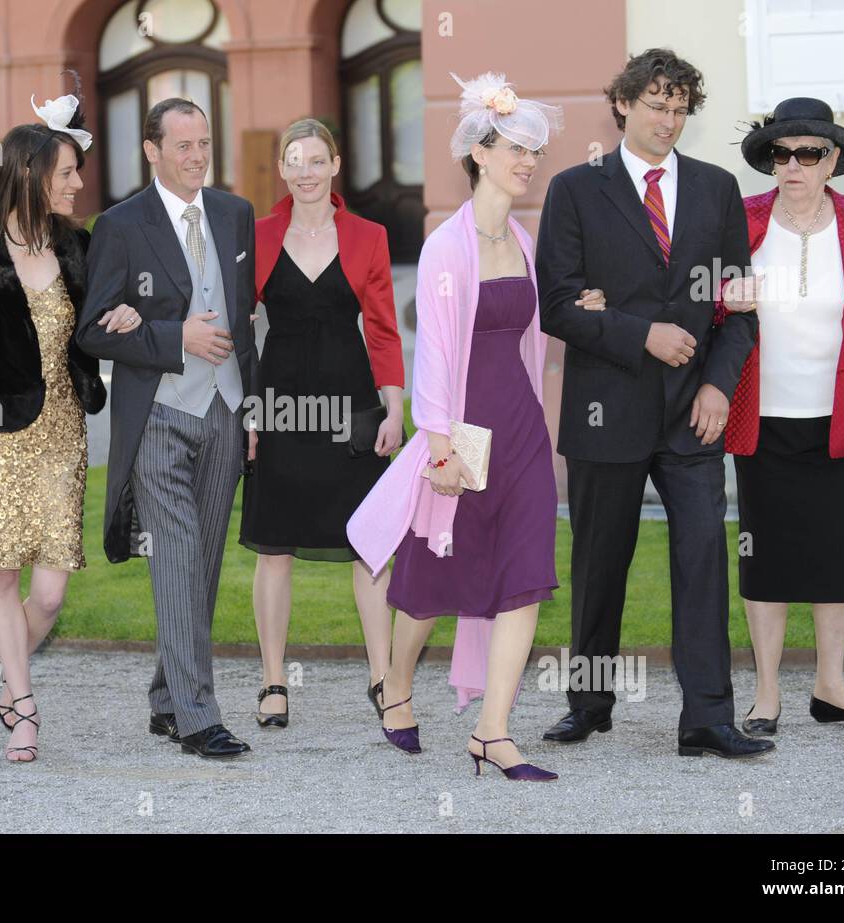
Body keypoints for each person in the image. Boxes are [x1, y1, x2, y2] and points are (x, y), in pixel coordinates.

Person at [535, 48, 773, 758]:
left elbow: (738, 309)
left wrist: (715, 385)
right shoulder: (575, 189)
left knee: (703, 556)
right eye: (656, 105)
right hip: (605, 407)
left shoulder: (716, 189)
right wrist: (644, 334)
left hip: (691, 412)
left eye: (679, 109)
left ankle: (706, 716)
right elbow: (556, 305)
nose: (668, 120)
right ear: (623, 105)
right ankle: (589, 702)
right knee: (600, 562)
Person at [349, 73, 574, 781]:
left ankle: (493, 730)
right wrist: (438, 438)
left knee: (526, 576)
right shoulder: (449, 246)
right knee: (431, 578)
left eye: (534, 151)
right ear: (479, 153)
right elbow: (437, 349)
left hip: (523, 433)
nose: (528, 161)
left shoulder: (525, 240)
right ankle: (396, 682)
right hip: (464, 437)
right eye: (515, 148)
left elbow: (532, 342)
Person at [0, 81, 116, 762]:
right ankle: (25, 705)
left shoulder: (81, 245)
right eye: (68, 172)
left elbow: (97, 324)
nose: (76, 183)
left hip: (63, 431)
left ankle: (12, 681)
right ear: (34, 175)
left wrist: (123, 319)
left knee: (49, 588)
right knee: (4, 575)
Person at [727, 98, 844, 735]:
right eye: (782, 154)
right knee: (766, 555)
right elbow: (709, 308)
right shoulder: (742, 220)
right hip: (764, 414)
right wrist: (723, 300)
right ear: (770, 161)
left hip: (842, 413)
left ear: (833, 160)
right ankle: (768, 693)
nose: (794, 166)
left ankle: (832, 685)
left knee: (838, 551)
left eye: (809, 153)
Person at [77, 97, 258, 759]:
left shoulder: (236, 215)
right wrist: (169, 335)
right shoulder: (121, 225)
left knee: (203, 564)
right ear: (151, 150)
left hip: (226, 410)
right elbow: (92, 330)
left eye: (204, 143)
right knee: (176, 556)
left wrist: (254, 408)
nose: (197, 157)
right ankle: (197, 717)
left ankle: (166, 696)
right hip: (156, 414)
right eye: (183, 145)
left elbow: (246, 323)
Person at [240, 118, 405, 728]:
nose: (305, 172)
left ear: (335, 165)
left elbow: (384, 328)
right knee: (274, 544)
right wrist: (247, 413)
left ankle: (383, 676)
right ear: (281, 169)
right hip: (278, 404)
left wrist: (394, 407)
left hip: (351, 403)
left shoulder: (368, 236)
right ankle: (273, 681)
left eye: (316, 160)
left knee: (368, 544)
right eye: (294, 161)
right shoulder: (256, 235)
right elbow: (237, 332)